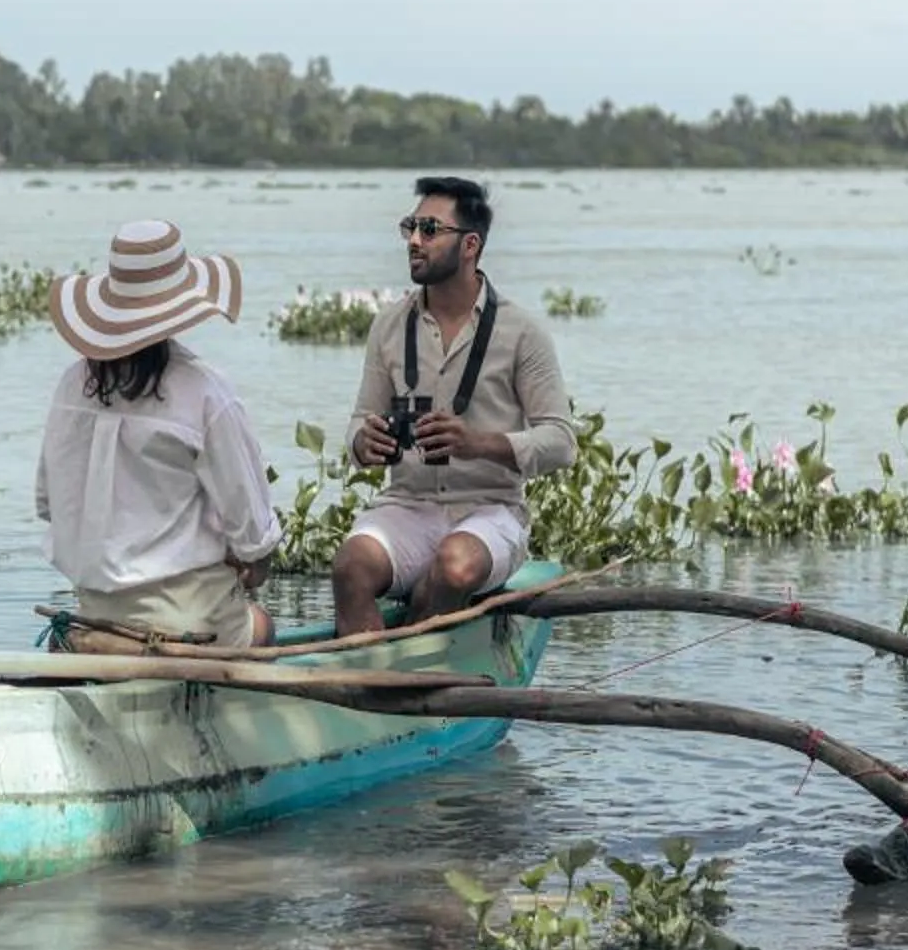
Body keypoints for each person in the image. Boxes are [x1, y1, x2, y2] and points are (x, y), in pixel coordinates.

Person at [334, 175, 576, 637]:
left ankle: (406, 677)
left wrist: (478, 444)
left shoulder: (522, 331)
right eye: (410, 227)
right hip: (407, 505)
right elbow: (357, 424)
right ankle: (373, 690)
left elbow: (561, 441)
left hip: (491, 511)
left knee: (454, 566)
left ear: (470, 246)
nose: (414, 241)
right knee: (351, 567)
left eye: (429, 229)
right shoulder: (388, 326)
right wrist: (365, 442)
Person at [35, 219, 282, 648]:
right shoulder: (206, 391)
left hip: (95, 612)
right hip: (184, 618)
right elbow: (254, 537)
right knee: (262, 626)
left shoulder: (71, 385)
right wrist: (251, 565)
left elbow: (46, 503)